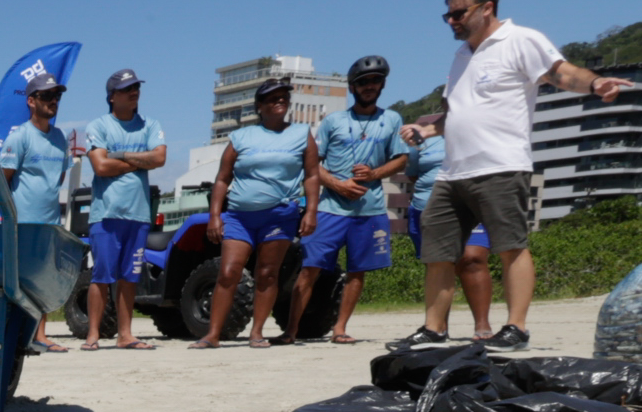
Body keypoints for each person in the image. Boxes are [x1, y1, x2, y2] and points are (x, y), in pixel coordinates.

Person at [400, 0, 632, 351]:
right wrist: (427, 130)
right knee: (437, 251)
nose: (452, 21)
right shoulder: (461, 56)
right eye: (448, 16)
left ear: (487, 8)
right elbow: (456, 112)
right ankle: (433, 329)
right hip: (453, 170)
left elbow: (561, 72)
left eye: (458, 14)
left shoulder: (522, 39)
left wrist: (594, 84)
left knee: (510, 246)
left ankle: (516, 327)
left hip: (501, 165)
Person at [191, 75, 317, 349]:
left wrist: (311, 211)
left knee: (267, 273)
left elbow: (312, 175)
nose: (279, 102)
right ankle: (213, 334)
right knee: (228, 272)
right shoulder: (240, 137)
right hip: (239, 215)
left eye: (283, 97)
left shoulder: (301, 134)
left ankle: (257, 332)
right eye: (272, 98)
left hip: (280, 214)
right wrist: (215, 215)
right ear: (259, 105)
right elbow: (222, 179)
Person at [288, 55, 407, 345]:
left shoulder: (392, 119)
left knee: (358, 271)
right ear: (352, 88)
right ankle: (290, 330)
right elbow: (313, 162)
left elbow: (401, 158)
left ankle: (340, 328)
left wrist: (375, 173)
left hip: (370, 209)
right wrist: (338, 185)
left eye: (375, 81)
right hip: (330, 208)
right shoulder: (333, 121)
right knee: (310, 269)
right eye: (363, 82)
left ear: (383, 84)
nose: (370, 86)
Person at [81, 69, 166, 351]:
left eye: (136, 87)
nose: (134, 92)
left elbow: (160, 158)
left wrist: (123, 156)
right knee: (102, 275)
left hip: (139, 214)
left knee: (130, 277)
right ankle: (92, 334)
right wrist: (142, 162)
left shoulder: (150, 124)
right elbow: (101, 166)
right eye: (127, 88)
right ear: (112, 96)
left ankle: (125, 334)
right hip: (106, 214)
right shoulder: (99, 125)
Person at [0, 72, 74, 353]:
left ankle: (39, 335)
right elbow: (2, 180)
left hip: (49, 222)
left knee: (44, 279)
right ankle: (17, 336)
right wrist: (10, 215)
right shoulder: (20, 136)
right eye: (47, 96)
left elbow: (59, 178)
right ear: (31, 101)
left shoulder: (60, 137)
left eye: (57, 96)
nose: (54, 101)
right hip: (21, 223)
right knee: (18, 283)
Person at [401, 124, 493, 342]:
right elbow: (413, 173)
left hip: (470, 201)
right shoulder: (422, 137)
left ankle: (482, 324)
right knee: (439, 263)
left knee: (473, 258)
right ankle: (438, 326)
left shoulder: (476, 129)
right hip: (427, 205)